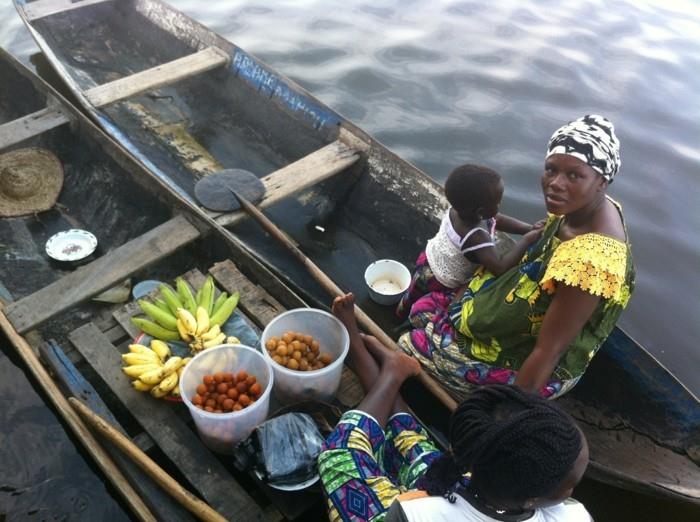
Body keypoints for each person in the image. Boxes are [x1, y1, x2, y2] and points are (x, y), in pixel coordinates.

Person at [398, 115, 635, 400]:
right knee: (420, 312)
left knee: (408, 343)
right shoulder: (579, 207)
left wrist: (511, 414)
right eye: (551, 169)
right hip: (516, 316)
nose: (555, 184)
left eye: (574, 175)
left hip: (532, 360)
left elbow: (549, 351)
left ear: (602, 181)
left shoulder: (590, 263)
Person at [319, 293, 591, 522]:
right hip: (470, 492)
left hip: (405, 509)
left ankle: (388, 371)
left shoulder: (415, 513)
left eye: (571, 485)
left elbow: (415, 506)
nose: (571, 494)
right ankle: (391, 371)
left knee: (339, 453)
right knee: (412, 447)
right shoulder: (572, 516)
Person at [396, 164, 543, 318]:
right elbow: (499, 268)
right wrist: (526, 240)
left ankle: (400, 312)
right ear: (480, 212)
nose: (499, 206)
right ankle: (412, 318)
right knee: (431, 304)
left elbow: (496, 220)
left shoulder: (457, 210)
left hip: (427, 261)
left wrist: (528, 228)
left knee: (413, 293)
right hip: (443, 281)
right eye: (497, 203)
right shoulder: (476, 237)